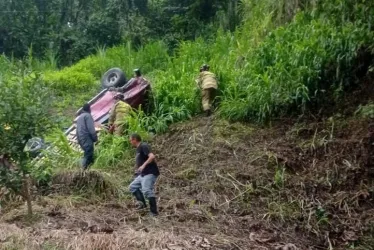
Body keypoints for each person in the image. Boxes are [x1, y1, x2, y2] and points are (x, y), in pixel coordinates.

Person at [129, 133, 160, 216]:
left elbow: (152, 157)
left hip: (150, 173)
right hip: (142, 174)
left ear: (134, 139)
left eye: (130, 140)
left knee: (146, 190)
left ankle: (154, 212)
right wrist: (138, 170)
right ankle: (143, 205)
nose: (130, 142)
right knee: (133, 187)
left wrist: (143, 166)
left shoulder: (144, 146)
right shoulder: (138, 149)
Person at [76, 103, 98, 170]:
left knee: (89, 154)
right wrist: (95, 138)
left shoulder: (80, 117)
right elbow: (91, 129)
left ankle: (89, 170)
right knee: (88, 153)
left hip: (80, 138)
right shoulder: (87, 116)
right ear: (89, 109)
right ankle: (82, 169)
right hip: (86, 137)